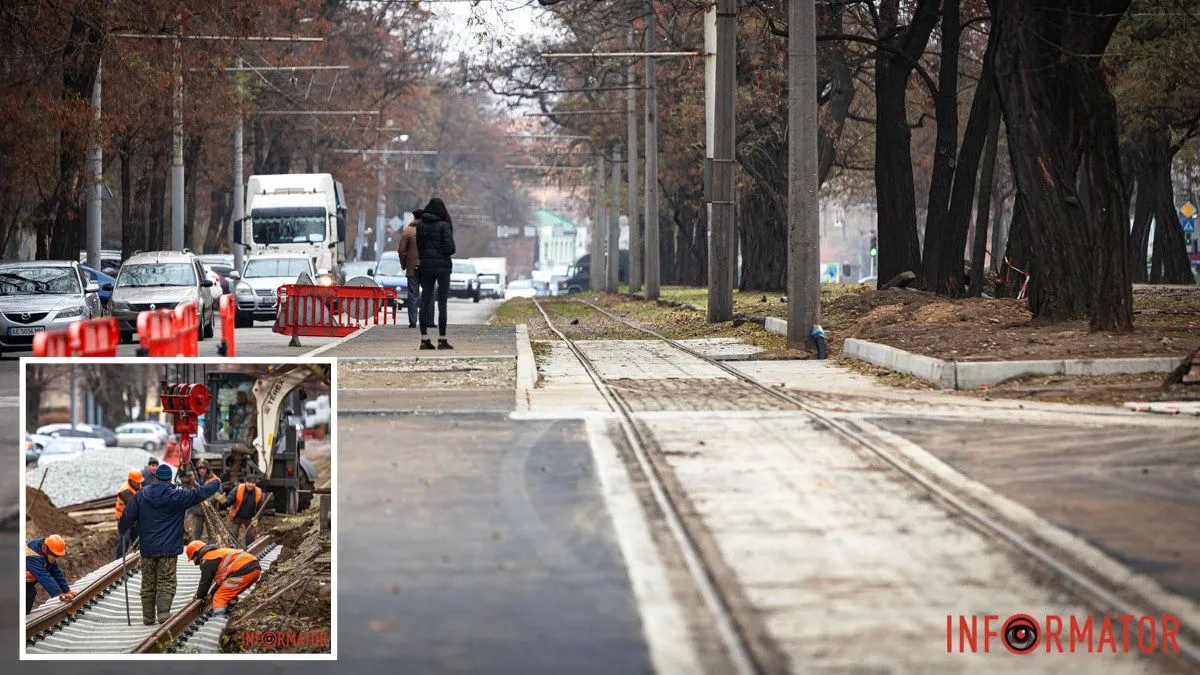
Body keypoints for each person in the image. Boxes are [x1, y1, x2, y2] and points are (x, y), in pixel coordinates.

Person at [118, 462, 221, 625]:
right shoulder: (178, 496)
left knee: (148, 581)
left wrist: (123, 529)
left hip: (148, 548)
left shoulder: (141, 495)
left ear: (156, 477)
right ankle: (164, 614)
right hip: (168, 548)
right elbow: (199, 493)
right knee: (166, 581)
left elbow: (127, 517)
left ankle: (148, 617)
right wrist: (216, 483)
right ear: (168, 480)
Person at [414, 197, 457, 350]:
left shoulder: (420, 225)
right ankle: (442, 339)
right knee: (442, 303)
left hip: (426, 267)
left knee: (424, 302)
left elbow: (419, 246)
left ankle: (424, 339)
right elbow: (450, 249)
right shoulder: (444, 225)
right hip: (443, 268)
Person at [185, 540, 262, 616]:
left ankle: (219, 618)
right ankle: (232, 612)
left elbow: (205, 582)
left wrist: (199, 596)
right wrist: (211, 593)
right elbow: (222, 581)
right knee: (229, 594)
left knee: (220, 597)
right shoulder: (217, 553)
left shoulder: (207, 559)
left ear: (196, 554)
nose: (195, 562)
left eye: (193, 559)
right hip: (254, 569)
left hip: (243, 571)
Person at [25, 535, 74, 614]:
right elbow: (43, 576)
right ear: (44, 548)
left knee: (30, 592)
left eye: (57, 556)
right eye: (54, 556)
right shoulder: (32, 556)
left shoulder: (45, 551)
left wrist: (66, 591)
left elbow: (56, 572)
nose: (55, 559)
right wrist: (59, 594)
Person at [222, 475, 265, 545]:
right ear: (245, 482)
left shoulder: (258, 493)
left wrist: (257, 518)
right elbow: (230, 498)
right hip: (237, 515)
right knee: (233, 533)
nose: (250, 485)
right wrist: (224, 501)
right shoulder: (238, 488)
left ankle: (249, 550)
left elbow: (260, 509)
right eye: (249, 482)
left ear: (255, 484)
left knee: (251, 536)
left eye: (253, 483)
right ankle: (232, 549)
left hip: (250, 518)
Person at [185, 460, 221, 540]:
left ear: (207, 469)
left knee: (212, 534)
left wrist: (209, 501)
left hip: (210, 509)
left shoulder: (214, 479)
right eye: (199, 468)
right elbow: (188, 490)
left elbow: (219, 492)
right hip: (197, 509)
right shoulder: (193, 478)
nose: (201, 470)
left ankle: (213, 550)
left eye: (203, 468)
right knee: (195, 534)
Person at [397, 215, 421, 329]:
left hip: (413, 268)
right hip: (427, 268)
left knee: (412, 295)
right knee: (428, 294)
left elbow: (401, 251)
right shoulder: (430, 231)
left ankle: (413, 321)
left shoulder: (408, 232)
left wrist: (404, 265)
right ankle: (427, 320)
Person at [115, 469, 143, 559]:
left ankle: (136, 562)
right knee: (124, 540)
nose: (139, 484)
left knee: (137, 539)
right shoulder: (125, 491)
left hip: (133, 519)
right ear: (131, 481)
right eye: (137, 482)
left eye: (140, 482)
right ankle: (119, 563)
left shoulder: (137, 486)